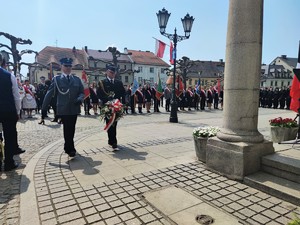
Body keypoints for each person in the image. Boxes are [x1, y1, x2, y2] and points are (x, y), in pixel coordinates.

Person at [41, 58, 84, 157]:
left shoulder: (76, 79)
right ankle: (70, 148)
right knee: (67, 128)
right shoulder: (56, 79)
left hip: (74, 107)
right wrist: (44, 108)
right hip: (63, 108)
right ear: (61, 67)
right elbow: (49, 94)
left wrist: (80, 98)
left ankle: (68, 146)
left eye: (70, 66)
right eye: (66, 66)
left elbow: (82, 92)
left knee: (72, 128)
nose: (68, 68)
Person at [0, 52, 22, 171]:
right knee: (9, 136)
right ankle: (9, 162)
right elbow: (16, 96)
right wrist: (18, 111)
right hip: (8, 110)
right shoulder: (9, 76)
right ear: (2, 62)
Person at [97, 64, 125, 150]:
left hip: (116, 106)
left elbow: (123, 93)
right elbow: (99, 94)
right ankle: (112, 141)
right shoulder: (102, 83)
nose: (112, 74)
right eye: (110, 72)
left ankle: (113, 141)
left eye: (114, 73)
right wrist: (107, 99)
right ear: (107, 72)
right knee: (109, 123)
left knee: (114, 124)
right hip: (107, 107)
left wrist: (122, 103)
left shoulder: (118, 82)